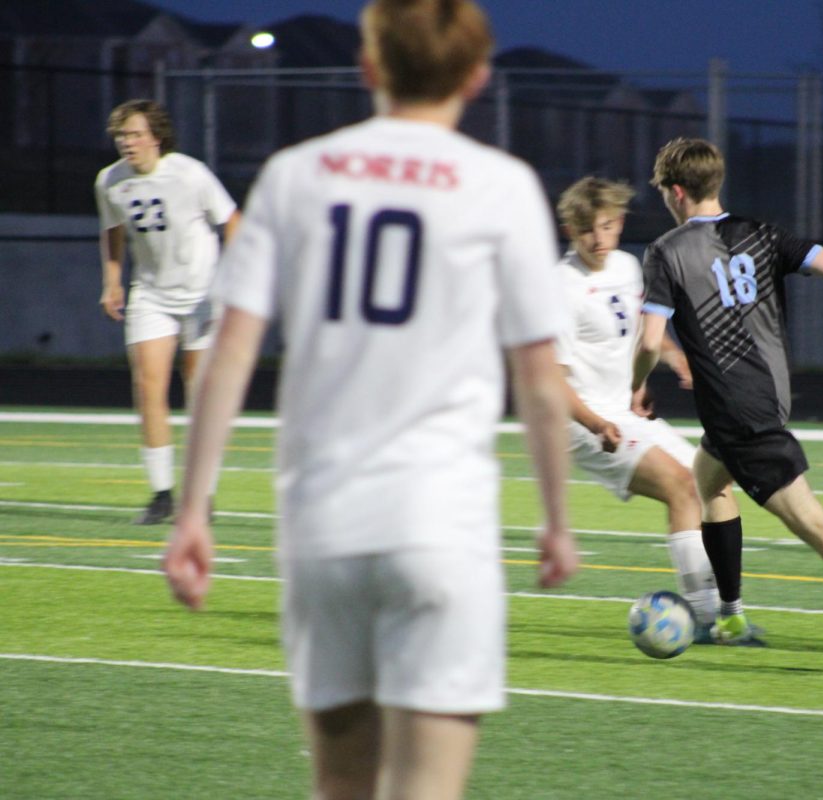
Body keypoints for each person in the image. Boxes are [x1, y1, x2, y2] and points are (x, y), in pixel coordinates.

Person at [162, 1, 579, 798]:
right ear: (477, 76)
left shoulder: (295, 174)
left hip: (324, 529)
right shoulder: (502, 186)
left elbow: (230, 353)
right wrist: (556, 520)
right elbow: (538, 379)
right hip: (440, 527)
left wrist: (192, 512)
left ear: (368, 68)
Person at [631, 137, 823, 674]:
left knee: (812, 522)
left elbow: (647, 340)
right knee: (709, 480)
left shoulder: (666, 252)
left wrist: (635, 389)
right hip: (767, 399)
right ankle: (729, 616)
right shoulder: (763, 232)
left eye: (663, 191)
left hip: (737, 412)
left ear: (677, 192)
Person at [554, 176, 728, 640]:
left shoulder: (628, 266)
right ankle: (709, 620)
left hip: (621, 412)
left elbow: (637, 331)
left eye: (608, 226)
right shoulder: (559, 286)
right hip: (582, 420)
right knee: (680, 487)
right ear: (570, 230)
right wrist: (596, 422)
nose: (599, 239)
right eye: (588, 229)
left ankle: (723, 613)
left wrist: (663, 362)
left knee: (711, 485)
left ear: (620, 222)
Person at [95, 99, 240, 525]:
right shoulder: (110, 181)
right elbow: (112, 232)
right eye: (122, 135)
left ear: (156, 137)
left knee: (199, 393)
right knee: (148, 387)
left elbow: (233, 222)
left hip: (200, 293)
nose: (128, 142)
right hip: (152, 294)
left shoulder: (190, 173)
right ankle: (161, 494)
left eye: (136, 134)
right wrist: (112, 280)